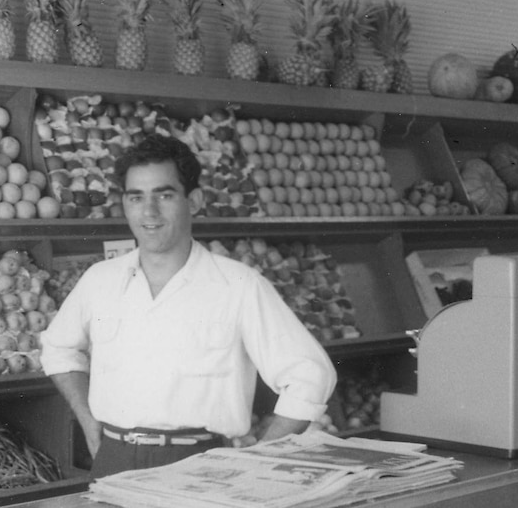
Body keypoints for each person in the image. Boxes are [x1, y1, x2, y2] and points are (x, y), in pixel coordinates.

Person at [40, 133, 337, 478]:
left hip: (203, 466)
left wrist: (263, 456)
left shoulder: (238, 285)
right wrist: (89, 423)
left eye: (164, 195)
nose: (148, 212)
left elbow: (310, 375)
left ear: (193, 201)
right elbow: (58, 349)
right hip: (113, 461)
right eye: (136, 197)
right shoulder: (100, 279)